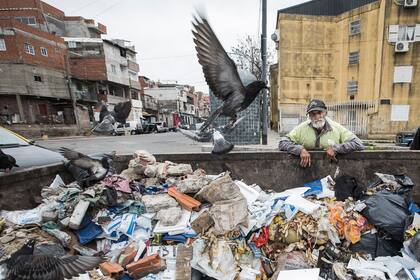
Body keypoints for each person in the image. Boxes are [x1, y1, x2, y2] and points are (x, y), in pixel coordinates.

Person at [278, 99, 364, 167]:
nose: (316, 117)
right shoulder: (302, 128)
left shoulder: (336, 128)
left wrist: (336, 148)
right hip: (306, 169)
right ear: (309, 116)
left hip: (331, 168)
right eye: (312, 114)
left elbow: (358, 143)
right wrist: (299, 150)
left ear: (325, 113)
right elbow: (283, 142)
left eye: (319, 113)